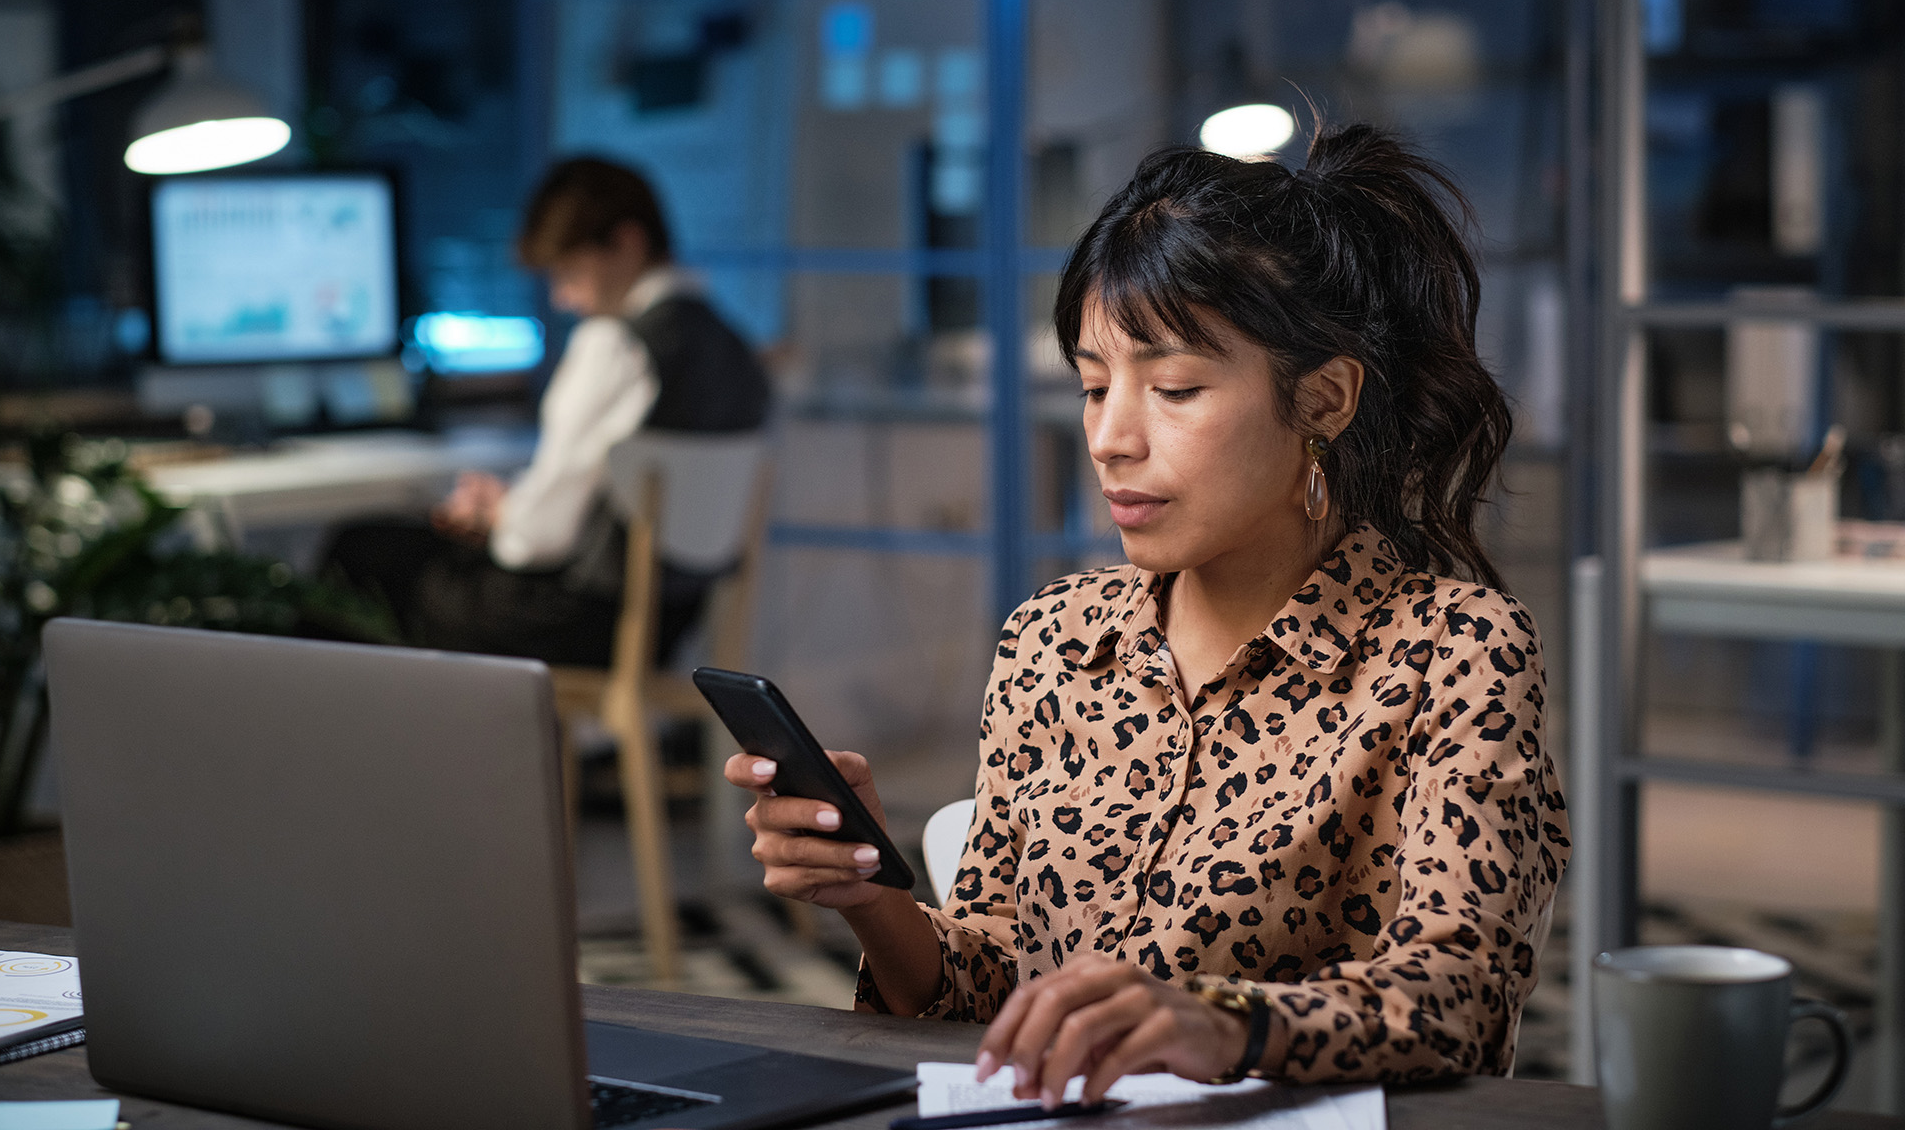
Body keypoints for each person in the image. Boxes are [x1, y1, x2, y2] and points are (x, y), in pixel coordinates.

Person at [726, 124, 1569, 1092]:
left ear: (1326, 399)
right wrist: (868, 895)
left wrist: (1220, 1020)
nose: (1112, 437)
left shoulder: (1452, 651)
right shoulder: (1053, 639)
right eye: (1092, 386)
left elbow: (1454, 1001)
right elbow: (989, 993)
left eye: (1173, 387)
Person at [323, 157, 770, 665]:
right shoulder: (736, 350)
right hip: (670, 622)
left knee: (358, 551)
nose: (562, 298)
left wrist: (498, 516)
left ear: (626, 242)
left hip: (575, 619)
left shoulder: (615, 345)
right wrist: (515, 510)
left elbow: (537, 540)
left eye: (570, 273)